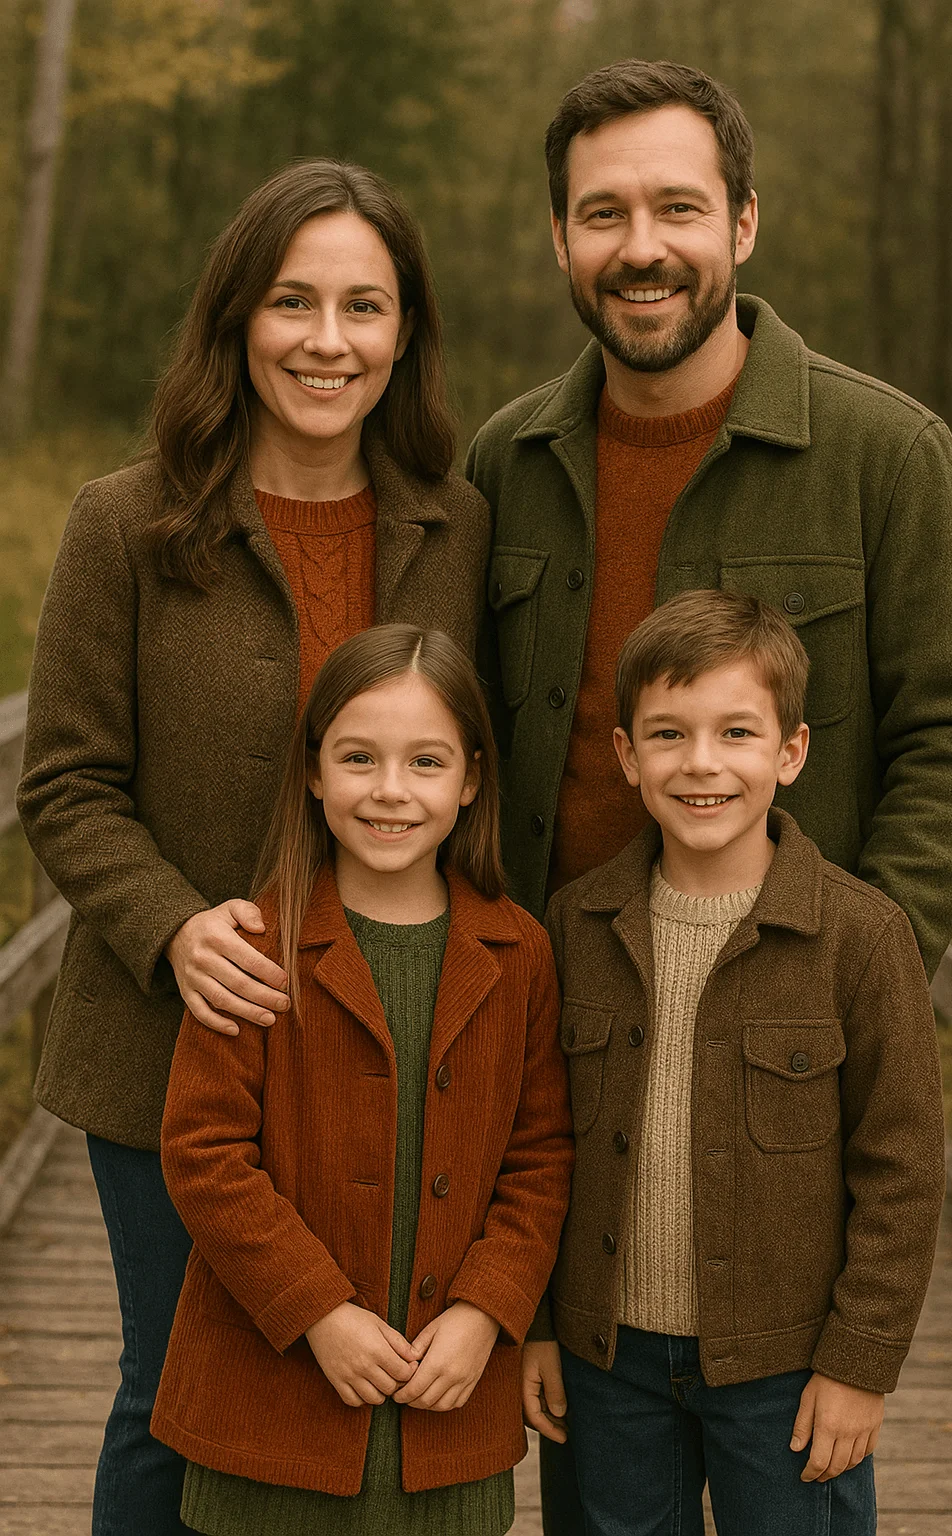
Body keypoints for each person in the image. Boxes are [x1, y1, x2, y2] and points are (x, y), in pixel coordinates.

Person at [465, 63, 952, 1527]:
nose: (639, 243)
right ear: (561, 241)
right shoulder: (504, 463)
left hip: (790, 1067)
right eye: (603, 212)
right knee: (605, 1479)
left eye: (677, 206)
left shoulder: (885, 454)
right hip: (562, 1049)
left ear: (746, 225)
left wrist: (846, 957)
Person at [17, 161, 491, 1536]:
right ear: (236, 318)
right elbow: (64, 781)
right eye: (292, 301)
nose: (326, 340)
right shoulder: (129, 525)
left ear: (406, 334)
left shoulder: (458, 527)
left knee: (363, 1406)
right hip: (180, 1044)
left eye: (363, 305)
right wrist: (169, 924)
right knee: (174, 1400)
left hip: (394, 1052)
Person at [523, 588, 945, 1536]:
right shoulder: (575, 928)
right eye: (668, 735)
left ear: (789, 752)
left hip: (790, 1373)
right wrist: (538, 1325)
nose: (701, 764)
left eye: (737, 733)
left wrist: (859, 1365)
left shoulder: (861, 937)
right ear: (627, 756)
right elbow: (536, 1144)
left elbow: (903, 1172)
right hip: (606, 1360)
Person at [149, 624, 573, 1536]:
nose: (390, 789)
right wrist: (318, 1313)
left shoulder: (520, 951)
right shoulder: (254, 946)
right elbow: (203, 1153)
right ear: (313, 773)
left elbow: (541, 1156)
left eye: (425, 761)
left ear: (470, 781)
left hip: (446, 1416)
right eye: (358, 757)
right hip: (270, 1410)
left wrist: (488, 1311)